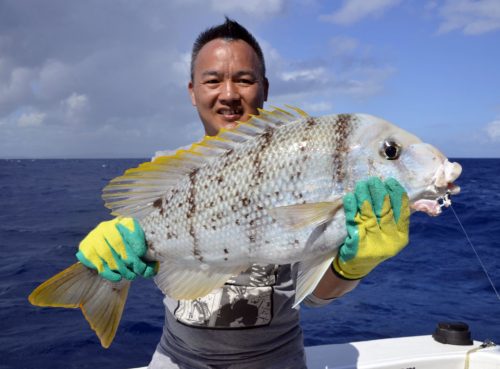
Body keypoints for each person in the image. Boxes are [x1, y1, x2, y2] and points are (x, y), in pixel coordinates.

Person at [76, 18, 410, 369]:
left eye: (244, 80)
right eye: (213, 80)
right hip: (177, 359)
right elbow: (142, 246)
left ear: (264, 88)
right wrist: (115, 249)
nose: (230, 94)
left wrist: (355, 266)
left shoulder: (302, 165)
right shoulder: (168, 172)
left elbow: (314, 298)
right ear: (193, 91)